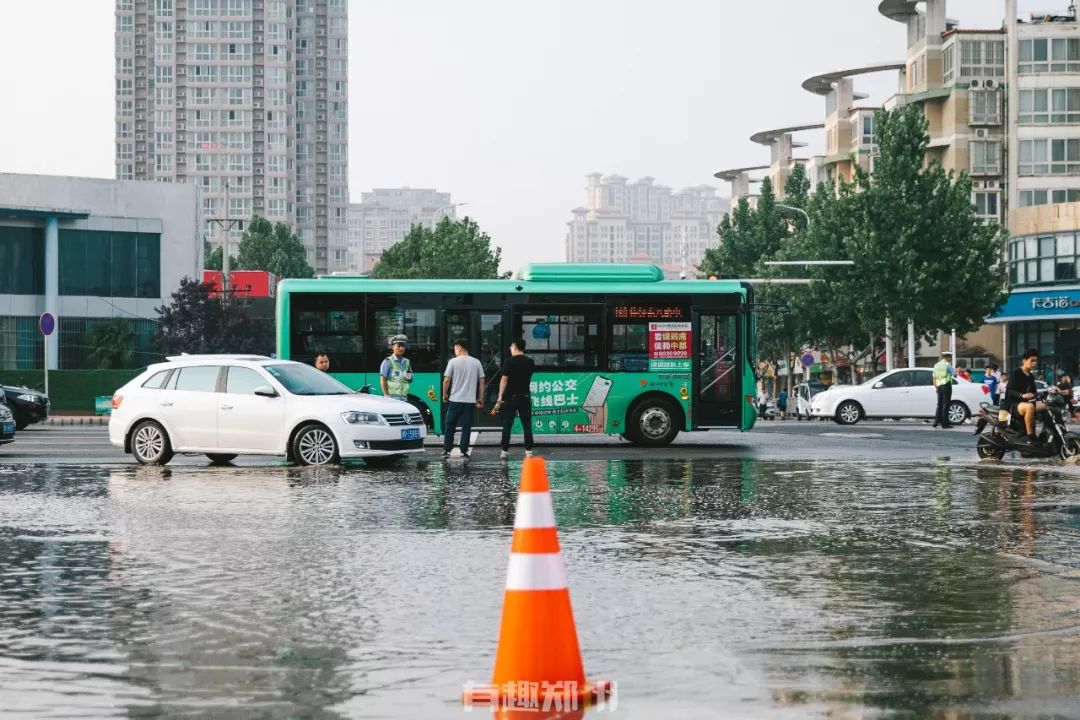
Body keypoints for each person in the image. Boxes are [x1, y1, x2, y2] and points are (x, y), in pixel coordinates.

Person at [442, 338, 485, 460]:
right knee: (466, 427)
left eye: (455, 349)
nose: (455, 351)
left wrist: (444, 394)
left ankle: (447, 449)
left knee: (450, 425)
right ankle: (464, 450)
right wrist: (480, 398)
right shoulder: (476, 362)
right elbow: (482, 381)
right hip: (469, 401)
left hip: (455, 400)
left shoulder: (453, 362)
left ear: (459, 348)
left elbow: (446, 380)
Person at [493, 338, 536, 460]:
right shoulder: (530, 362)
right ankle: (528, 451)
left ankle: (504, 451)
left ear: (516, 347)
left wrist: (500, 396)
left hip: (510, 398)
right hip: (525, 396)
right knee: (526, 424)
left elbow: (504, 380)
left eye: (511, 346)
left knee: (507, 424)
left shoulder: (508, 362)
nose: (510, 348)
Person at [1006, 348, 1043, 445]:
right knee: (1030, 407)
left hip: (1025, 403)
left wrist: (1041, 395)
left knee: (1047, 405)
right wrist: (1022, 395)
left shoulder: (1031, 375)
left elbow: (1034, 392)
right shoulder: (1016, 372)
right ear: (1024, 361)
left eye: (1036, 361)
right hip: (1014, 404)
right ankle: (1030, 436)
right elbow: (1009, 390)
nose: (1035, 363)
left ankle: (1045, 433)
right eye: (1032, 360)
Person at [379, 335, 413, 402]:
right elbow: (383, 380)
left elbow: (410, 380)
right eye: (398, 346)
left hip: (403, 398)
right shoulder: (387, 361)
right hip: (392, 399)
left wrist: (409, 378)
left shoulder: (407, 362)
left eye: (403, 346)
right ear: (393, 347)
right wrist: (386, 395)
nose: (401, 348)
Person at [933, 350, 956, 428]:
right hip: (946, 385)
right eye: (950, 357)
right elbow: (954, 374)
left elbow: (934, 377)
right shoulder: (947, 365)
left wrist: (936, 386)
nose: (951, 359)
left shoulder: (936, 365)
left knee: (939, 404)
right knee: (946, 404)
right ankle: (945, 423)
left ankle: (936, 422)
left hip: (938, 386)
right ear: (948, 357)